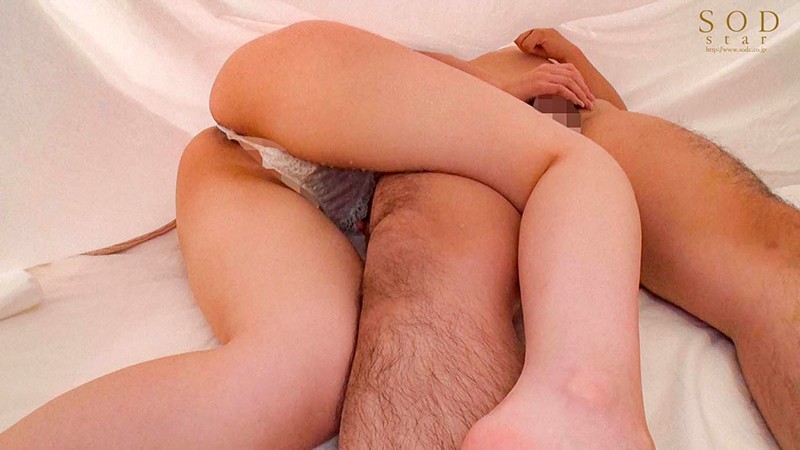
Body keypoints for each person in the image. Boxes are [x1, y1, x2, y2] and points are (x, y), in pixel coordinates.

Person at [0, 20, 795, 450]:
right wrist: (495, 80)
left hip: (438, 154)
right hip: (284, 135)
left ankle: (582, 396)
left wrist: (579, 101)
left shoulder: (569, 116)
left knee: (296, 371)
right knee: (563, 161)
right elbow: (550, 136)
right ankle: (584, 396)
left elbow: (594, 129)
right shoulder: (464, 75)